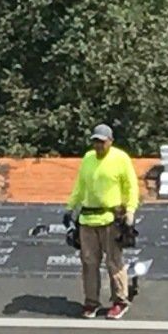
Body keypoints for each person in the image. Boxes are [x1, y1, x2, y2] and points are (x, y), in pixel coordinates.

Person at [65, 123, 139, 319]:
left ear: (110, 141)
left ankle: (119, 300)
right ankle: (91, 301)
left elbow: (131, 186)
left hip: (110, 218)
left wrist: (130, 210)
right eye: (95, 142)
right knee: (89, 262)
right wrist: (70, 207)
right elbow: (80, 186)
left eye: (101, 142)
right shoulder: (88, 159)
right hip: (88, 218)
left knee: (114, 261)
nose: (98, 146)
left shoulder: (120, 158)